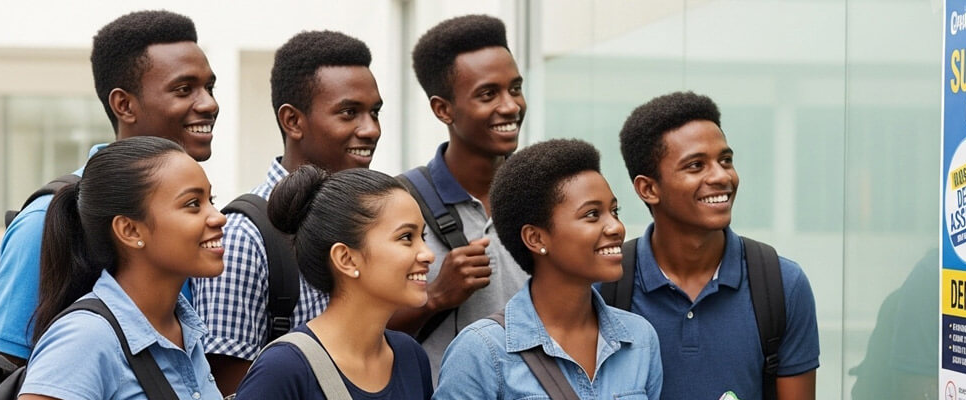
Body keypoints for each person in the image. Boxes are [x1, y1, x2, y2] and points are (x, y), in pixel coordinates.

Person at [0, 10, 219, 394]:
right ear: (124, 105)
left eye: (209, 88)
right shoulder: (48, 219)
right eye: (184, 89)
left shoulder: (185, 296)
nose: (208, 104)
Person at [191, 30, 382, 393]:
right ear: (293, 121)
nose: (371, 129)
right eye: (349, 113)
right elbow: (231, 387)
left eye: (374, 112)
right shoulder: (244, 236)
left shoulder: (360, 222)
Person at [616, 92, 819, 399]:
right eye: (696, 165)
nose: (722, 176)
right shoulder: (605, 287)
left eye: (725, 160)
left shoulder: (783, 285)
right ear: (649, 188)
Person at [434, 139, 662, 398]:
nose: (616, 227)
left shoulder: (639, 338)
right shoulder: (482, 350)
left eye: (614, 211)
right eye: (592, 215)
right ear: (536, 238)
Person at [19, 136, 224, 399]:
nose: (219, 217)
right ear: (129, 230)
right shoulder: (85, 339)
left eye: (211, 199)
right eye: (193, 204)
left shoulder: (184, 330)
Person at [386, 14, 529, 379]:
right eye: (487, 94)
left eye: (515, 88)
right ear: (442, 109)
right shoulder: (397, 203)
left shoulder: (544, 195)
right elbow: (362, 329)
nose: (511, 106)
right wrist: (435, 295)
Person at [233, 166, 434, 399]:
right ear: (346, 259)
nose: (428, 254)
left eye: (423, 237)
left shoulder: (411, 357)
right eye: (406, 237)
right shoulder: (282, 370)